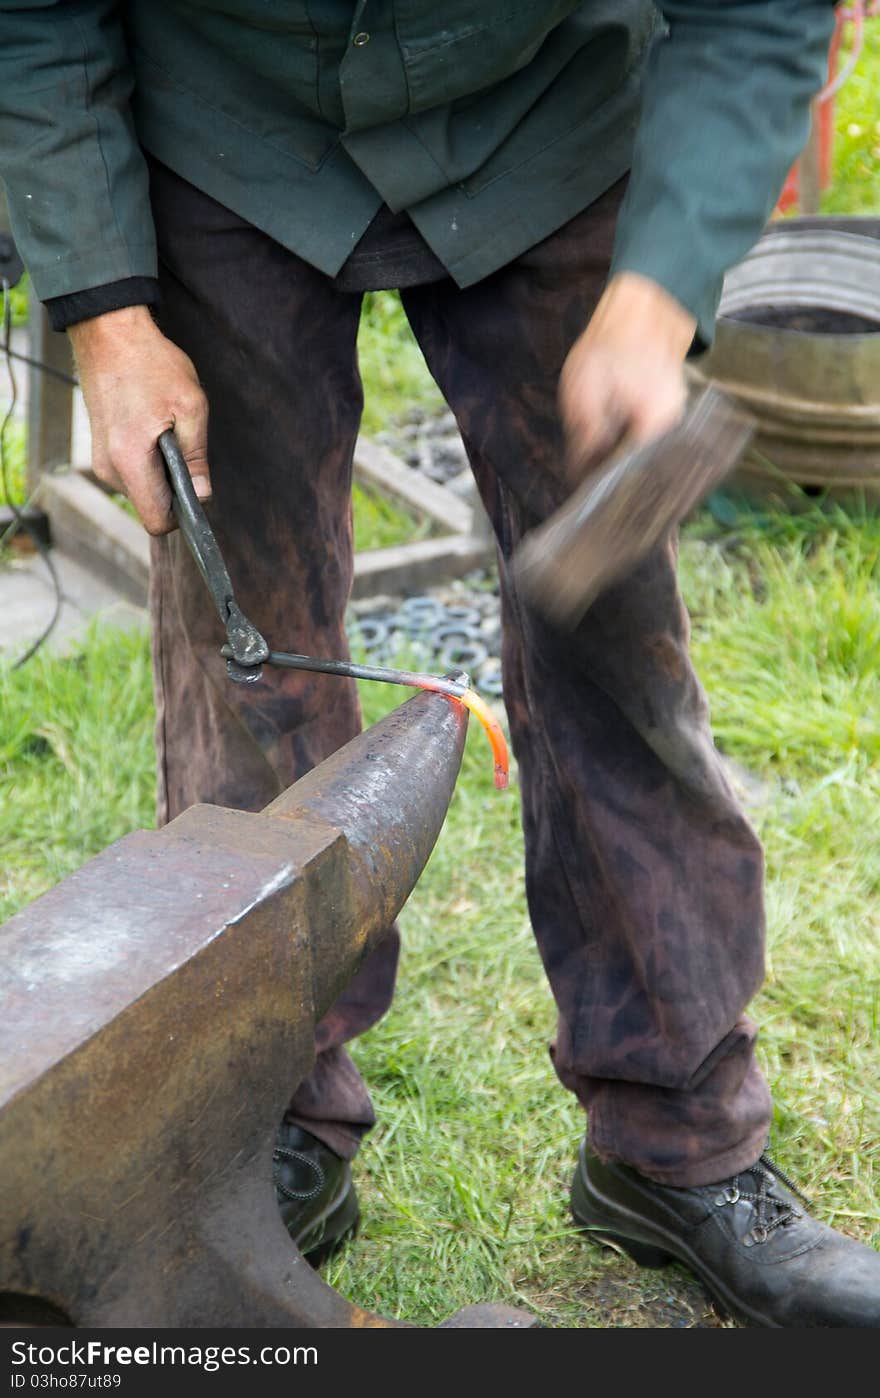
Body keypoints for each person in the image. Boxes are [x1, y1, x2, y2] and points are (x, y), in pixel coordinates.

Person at [1, 1, 877, 1327]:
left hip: (548, 123)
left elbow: (756, 13)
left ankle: (679, 1140)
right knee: (246, 663)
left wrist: (659, 288)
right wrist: (106, 312)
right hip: (227, 134)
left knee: (617, 650)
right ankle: (262, 1124)